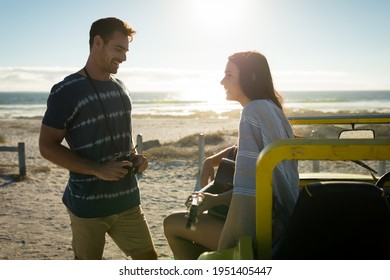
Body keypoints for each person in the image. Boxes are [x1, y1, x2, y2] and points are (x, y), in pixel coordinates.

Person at [39, 17, 157, 260]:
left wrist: (135, 157)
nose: (124, 57)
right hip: (87, 207)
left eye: (126, 51)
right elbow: (46, 146)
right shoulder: (66, 91)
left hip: (128, 201)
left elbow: (124, 138)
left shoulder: (121, 87)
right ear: (97, 43)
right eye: (118, 49)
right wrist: (98, 169)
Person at [163, 51, 299, 259]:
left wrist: (214, 200)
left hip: (266, 228)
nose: (221, 81)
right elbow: (249, 153)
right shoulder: (270, 108)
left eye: (229, 75)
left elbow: (251, 191)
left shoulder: (252, 112)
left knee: (172, 224)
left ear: (251, 77)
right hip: (283, 217)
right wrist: (211, 160)